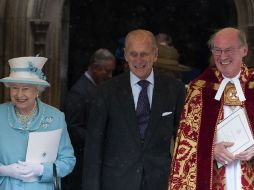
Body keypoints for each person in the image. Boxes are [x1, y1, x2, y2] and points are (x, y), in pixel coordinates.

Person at [82, 29, 186, 190]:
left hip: (160, 182)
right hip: (116, 182)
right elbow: (94, 146)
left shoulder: (174, 89)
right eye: (133, 54)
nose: (138, 60)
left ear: (155, 54)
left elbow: (184, 140)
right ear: (125, 55)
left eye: (144, 54)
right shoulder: (106, 91)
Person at [169, 27, 254, 190]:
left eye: (228, 50)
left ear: (244, 50)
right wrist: (211, 149)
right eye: (217, 50)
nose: (222, 56)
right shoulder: (199, 89)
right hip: (213, 181)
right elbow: (186, 143)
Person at [0, 56, 76, 190]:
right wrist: (5, 170)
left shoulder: (56, 117)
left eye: (25, 88)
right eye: (14, 88)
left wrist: (42, 170)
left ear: (37, 90)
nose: (19, 94)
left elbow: (68, 161)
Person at [62, 48, 115, 190]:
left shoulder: (96, 88)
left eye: (111, 71)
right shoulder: (78, 93)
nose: (110, 76)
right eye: (107, 71)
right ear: (95, 68)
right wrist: (100, 139)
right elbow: (73, 128)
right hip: (81, 162)